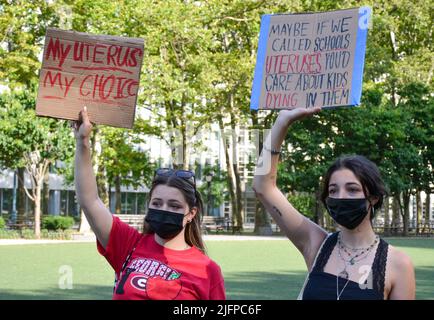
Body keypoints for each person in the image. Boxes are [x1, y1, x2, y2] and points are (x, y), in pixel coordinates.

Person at [252, 107, 415, 300]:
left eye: (352, 189)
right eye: (333, 190)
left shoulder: (397, 264)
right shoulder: (317, 244)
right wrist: (281, 122)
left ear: (373, 197)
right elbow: (263, 187)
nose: (341, 196)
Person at [74, 106, 225, 300]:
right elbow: (89, 200)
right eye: (157, 202)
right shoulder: (128, 244)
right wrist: (83, 142)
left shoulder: (208, 270)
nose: (164, 209)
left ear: (191, 214)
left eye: (175, 206)